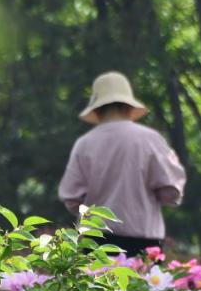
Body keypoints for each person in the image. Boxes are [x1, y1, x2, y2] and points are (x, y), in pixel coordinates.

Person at [58, 71, 186, 255]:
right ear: (128, 107)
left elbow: (71, 198)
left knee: (98, 285)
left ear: (97, 110)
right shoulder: (150, 139)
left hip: (96, 243)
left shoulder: (84, 144)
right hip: (144, 244)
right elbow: (171, 192)